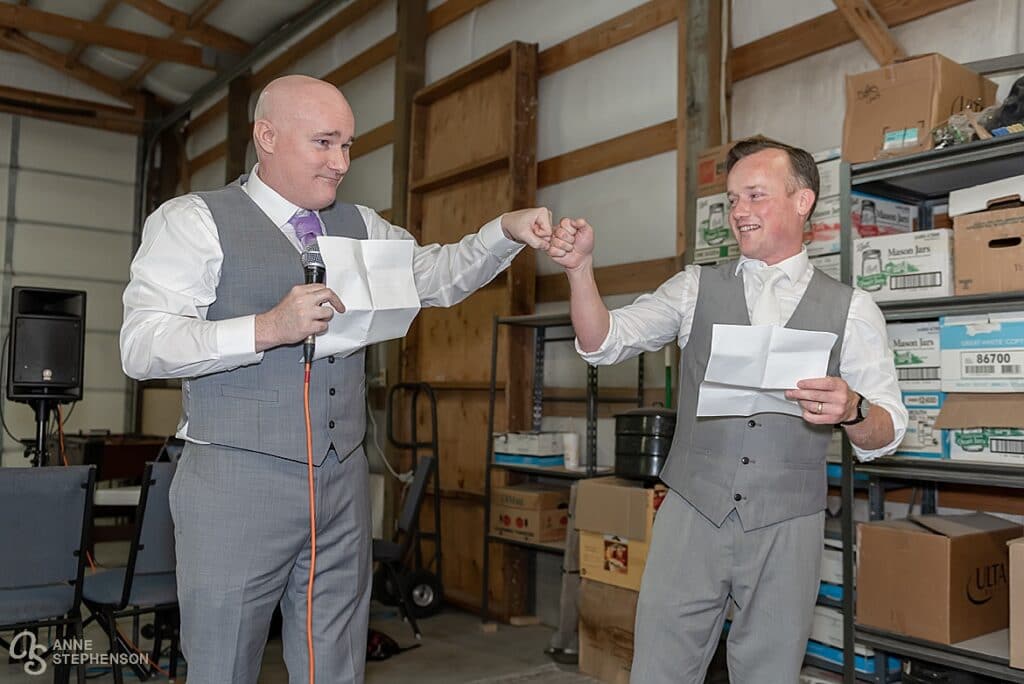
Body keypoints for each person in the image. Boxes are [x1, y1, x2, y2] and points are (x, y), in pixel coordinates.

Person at [120, 74, 553, 684]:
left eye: (348, 146)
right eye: (324, 143)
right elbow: (141, 347)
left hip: (342, 481)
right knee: (223, 663)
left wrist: (502, 234)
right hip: (234, 482)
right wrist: (266, 327)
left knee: (337, 661)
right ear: (265, 136)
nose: (341, 163)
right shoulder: (194, 222)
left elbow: (433, 274)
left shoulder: (362, 225)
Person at [546, 136, 907, 683]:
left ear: (802, 200)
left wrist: (853, 409)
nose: (738, 211)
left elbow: (888, 432)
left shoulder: (853, 310)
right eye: (733, 199)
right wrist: (579, 271)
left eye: (755, 196)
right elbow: (604, 342)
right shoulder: (695, 288)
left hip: (789, 523)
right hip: (692, 510)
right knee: (659, 671)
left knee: (770, 674)